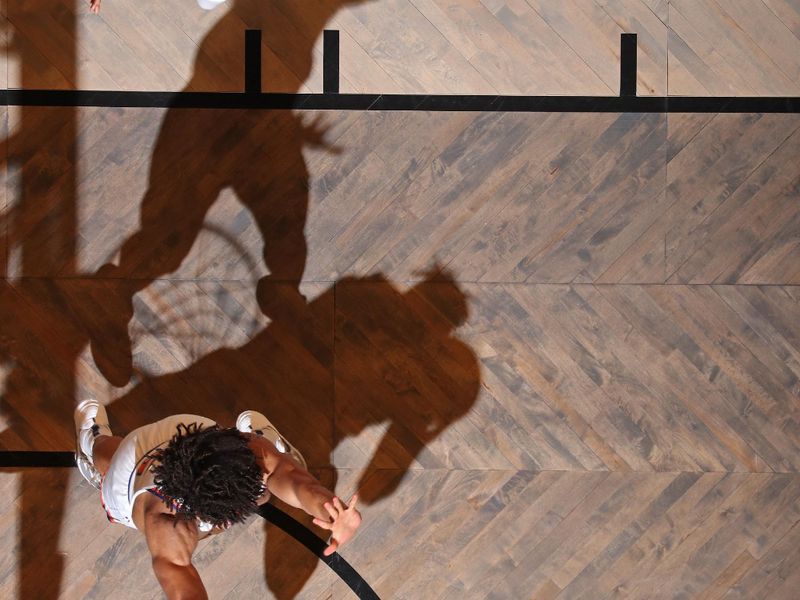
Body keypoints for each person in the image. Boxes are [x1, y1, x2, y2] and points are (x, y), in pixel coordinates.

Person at [74, 399, 361, 599]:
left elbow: (295, 480)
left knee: (267, 481)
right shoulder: (166, 525)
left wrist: (330, 509)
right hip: (129, 480)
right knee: (111, 457)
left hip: (186, 444)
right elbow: (181, 583)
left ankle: (93, 439)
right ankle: (92, 439)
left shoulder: (239, 450)